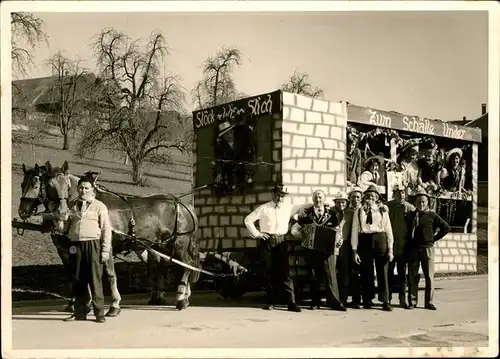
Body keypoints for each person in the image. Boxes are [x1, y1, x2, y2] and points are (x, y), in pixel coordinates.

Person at [244, 184, 301, 312]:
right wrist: (258, 234)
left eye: (282, 196)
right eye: (278, 195)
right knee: (269, 272)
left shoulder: (288, 208)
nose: (280, 198)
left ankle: (291, 302)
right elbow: (248, 220)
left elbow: (303, 209)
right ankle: (271, 301)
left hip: (282, 242)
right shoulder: (264, 208)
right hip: (267, 241)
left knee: (285, 273)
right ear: (273, 194)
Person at [64, 174, 112, 323]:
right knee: (78, 279)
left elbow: (106, 229)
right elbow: (66, 228)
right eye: (81, 188)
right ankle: (81, 312)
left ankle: (99, 313)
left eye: (86, 188)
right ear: (77, 189)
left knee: (94, 278)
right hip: (76, 245)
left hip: (93, 244)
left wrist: (105, 251)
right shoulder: (71, 206)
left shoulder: (99, 206)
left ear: (92, 190)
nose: (83, 190)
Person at [297, 190, 346, 312]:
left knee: (331, 275)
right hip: (311, 249)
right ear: (313, 199)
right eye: (316, 198)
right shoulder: (306, 214)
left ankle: (334, 302)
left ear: (324, 199)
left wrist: (339, 240)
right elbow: (297, 228)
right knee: (313, 275)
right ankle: (315, 301)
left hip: (328, 250)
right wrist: (303, 237)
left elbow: (338, 230)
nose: (318, 200)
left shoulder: (332, 214)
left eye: (320, 198)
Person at [351, 185, 394, 311]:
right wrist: (354, 250)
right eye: (368, 195)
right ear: (365, 198)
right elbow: (355, 232)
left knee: (383, 272)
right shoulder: (359, 211)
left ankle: (385, 300)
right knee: (366, 271)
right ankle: (367, 299)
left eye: (373, 196)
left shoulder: (382, 210)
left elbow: (388, 230)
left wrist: (390, 249)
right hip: (365, 240)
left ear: (376, 198)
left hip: (380, 239)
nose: (370, 198)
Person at [407, 191, 451, 310]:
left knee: (429, 276)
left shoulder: (432, 215)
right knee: (413, 275)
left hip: (428, 249)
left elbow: (446, 228)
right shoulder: (411, 215)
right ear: (415, 203)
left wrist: (433, 239)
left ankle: (429, 302)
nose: (421, 204)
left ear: (427, 203)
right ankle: (412, 301)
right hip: (414, 250)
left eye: (423, 202)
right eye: (418, 201)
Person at [386, 184, 416, 309]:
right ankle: (387, 300)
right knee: (388, 273)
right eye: (398, 192)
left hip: (404, 246)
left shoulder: (410, 208)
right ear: (394, 194)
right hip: (391, 245)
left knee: (402, 274)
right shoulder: (388, 206)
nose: (401, 195)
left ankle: (402, 299)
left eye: (403, 192)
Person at [338, 187, 364, 308]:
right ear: (350, 199)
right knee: (345, 271)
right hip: (346, 243)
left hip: (362, 243)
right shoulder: (345, 212)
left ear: (361, 199)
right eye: (353, 197)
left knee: (357, 273)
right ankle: (343, 298)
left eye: (358, 197)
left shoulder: (364, 210)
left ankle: (356, 299)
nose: (355, 199)